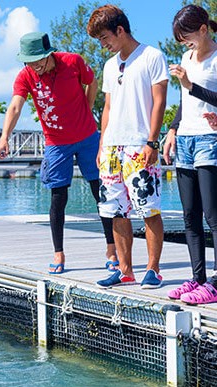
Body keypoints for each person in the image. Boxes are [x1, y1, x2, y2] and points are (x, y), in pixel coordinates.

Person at [0, 31, 117, 274]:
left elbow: (92, 82)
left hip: (88, 138)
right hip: (56, 143)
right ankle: (59, 253)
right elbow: (16, 105)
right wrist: (4, 136)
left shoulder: (72, 61)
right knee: (58, 198)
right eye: (30, 62)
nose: (36, 67)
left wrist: (88, 107)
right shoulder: (25, 75)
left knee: (99, 192)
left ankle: (111, 248)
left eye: (39, 61)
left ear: (50, 54)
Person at [87, 5, 168, 288]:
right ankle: (125, 270)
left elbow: (159, 101)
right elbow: (107, 107)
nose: (103, 45)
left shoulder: (151, 56)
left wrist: (152, 141)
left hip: (139, 145)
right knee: (115, 211)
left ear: (120, 30)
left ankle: (153, 270)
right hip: (112, 148)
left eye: (105, 38)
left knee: (148, 209)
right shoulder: (110, 66)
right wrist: (101, 144)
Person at [162, 4, 217, 305]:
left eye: (187, 37)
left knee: (213, 216)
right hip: (185, 139)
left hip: (210, 139)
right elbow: (183, 100)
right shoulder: (186, 57)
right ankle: (198, 279)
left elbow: (200, 93)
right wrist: (172, 130)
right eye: (180, 40)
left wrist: (190, 85)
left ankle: (216, 282)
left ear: (203, 29)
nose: (184, 44)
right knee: (189, 215)